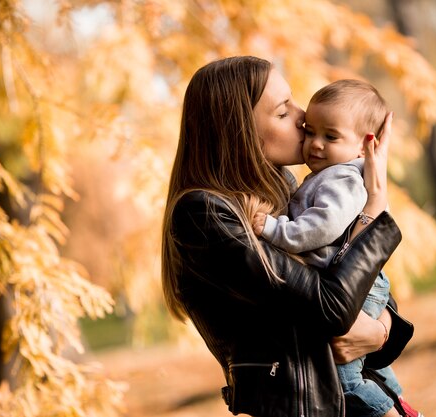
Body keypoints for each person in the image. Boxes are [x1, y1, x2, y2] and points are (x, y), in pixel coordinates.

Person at [161, 56, 414, 417]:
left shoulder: (286, 188)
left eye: (293, 100)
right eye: (283, 112)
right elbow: (334, 306)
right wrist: (374, 206)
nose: (303, 117)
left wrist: (381, 330)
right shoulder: (205, 215)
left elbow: (356, 283)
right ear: (240, 132)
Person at [251, 79, 418, 417]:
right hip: (355, 280)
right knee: (366, 362)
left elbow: (320, 227)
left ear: (363, 147)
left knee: (344, 380)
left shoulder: (342, 180)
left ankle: (388, 412)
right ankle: (399, 400)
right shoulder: (326, 174)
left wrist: (271, 227)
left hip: (357, 284)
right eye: (310, 132)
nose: (314, 144)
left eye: (330, 136)